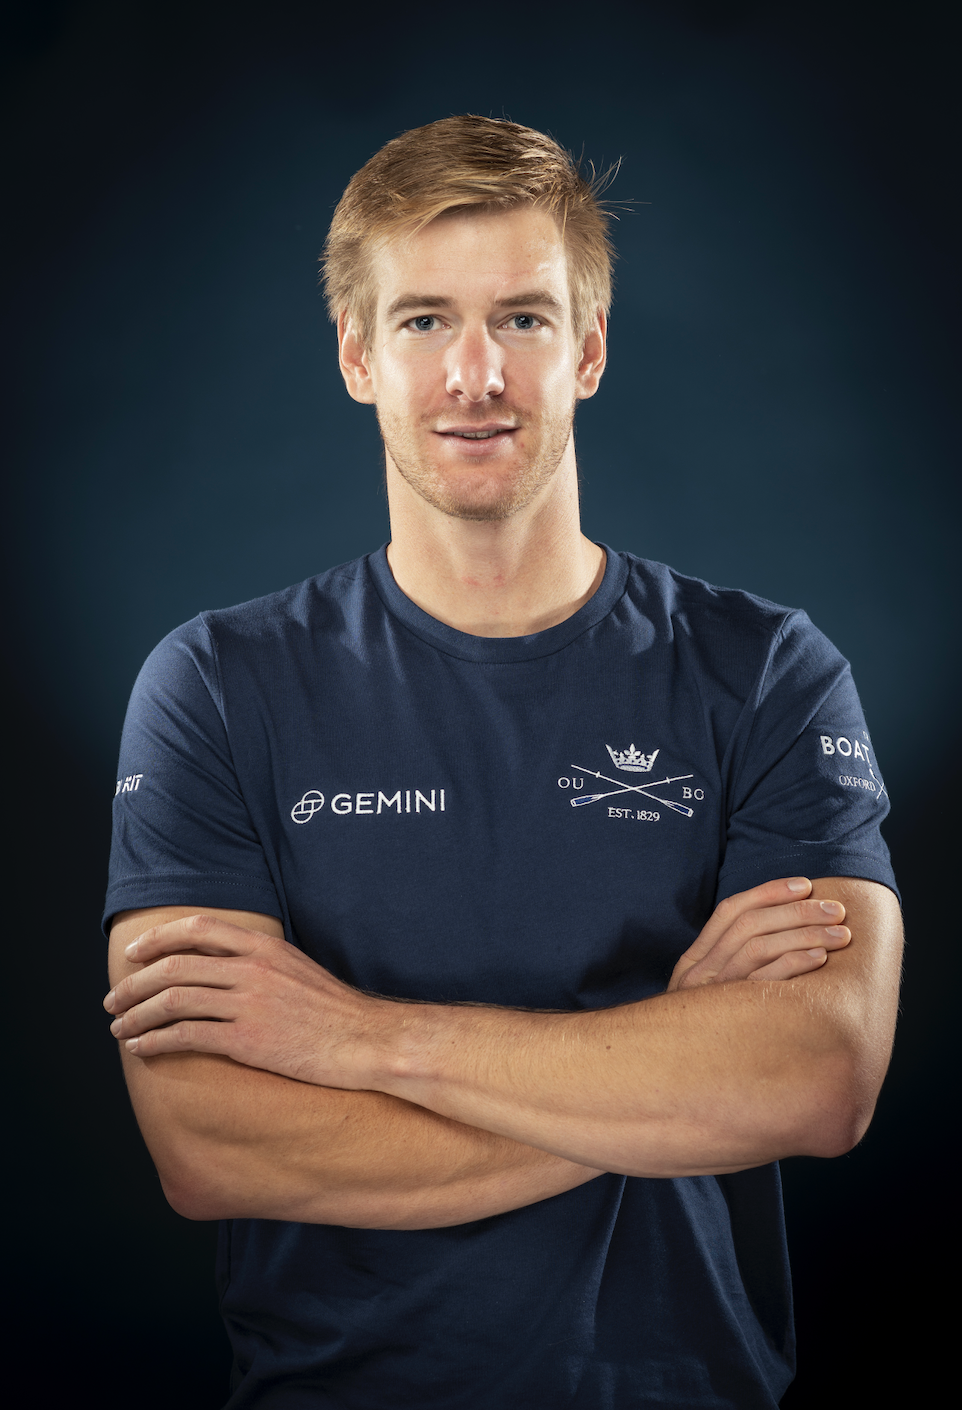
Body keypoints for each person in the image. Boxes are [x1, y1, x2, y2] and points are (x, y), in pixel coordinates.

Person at [103, 115, 902, 1409]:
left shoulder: (766, 671)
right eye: (423, 320)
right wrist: (668, 1065)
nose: (474, 374)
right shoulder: (214, 687)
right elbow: (207, 1144)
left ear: (588, 349)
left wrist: (359, 1039)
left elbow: (818, 1079)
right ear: (356, 354)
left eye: (522, 319)